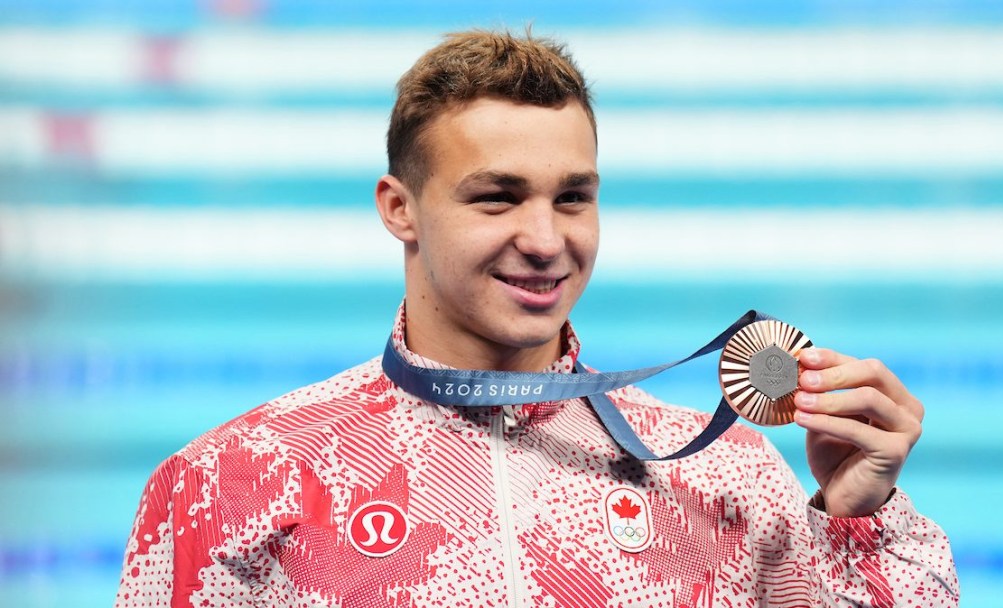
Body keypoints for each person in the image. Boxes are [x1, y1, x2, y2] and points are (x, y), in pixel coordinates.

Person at [115, 30, 959, 607]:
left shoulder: (729, 478)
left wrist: (857, 523)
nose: (547, 240)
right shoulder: (232, 483)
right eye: (498, 198)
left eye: (574, 199)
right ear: (398, 208)